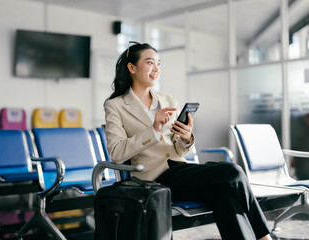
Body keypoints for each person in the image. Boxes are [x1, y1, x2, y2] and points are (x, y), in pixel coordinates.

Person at [104, 41, 273, 240]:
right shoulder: (115, 105)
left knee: (224, 195)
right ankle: (264, 236)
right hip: (154, 180)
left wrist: (186, 137)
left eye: (159, 63)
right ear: (131, 68)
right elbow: (116, 153)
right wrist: (153, 129)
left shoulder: (168, 99)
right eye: (150, 63)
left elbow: (180, 150)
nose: (156, 69)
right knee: (232, 171)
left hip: (181, 170)